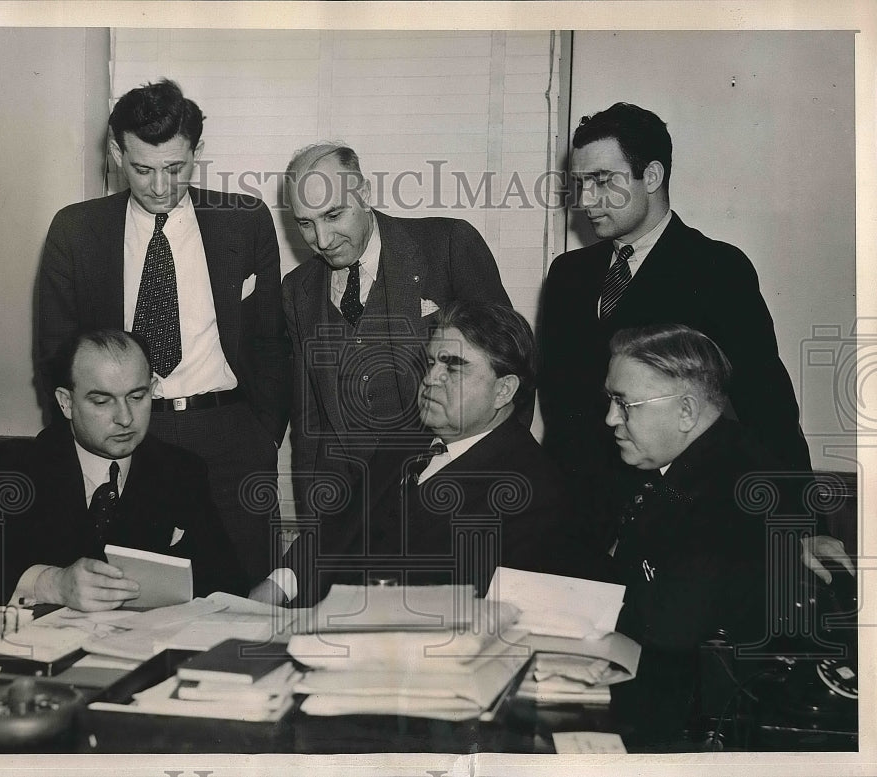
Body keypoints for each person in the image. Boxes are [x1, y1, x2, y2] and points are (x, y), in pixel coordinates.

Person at [536, 102, 851, 579]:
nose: (586, 199)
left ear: (653, 175)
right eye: (580, 183)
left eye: (602, 180)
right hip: (573, 529)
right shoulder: (566, 275)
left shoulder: (717, 269)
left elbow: (768, 405)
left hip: (672, 529)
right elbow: (560, 410)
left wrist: (799, 525)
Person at [37, 79, 290, 584]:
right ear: (116, 152)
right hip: (130, 438)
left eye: (175, 168)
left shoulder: (244, 220)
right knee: (130, 598)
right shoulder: (76, 230)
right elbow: (56, 355)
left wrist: (260, 435)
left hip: (231, 436)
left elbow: (269, 342)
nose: (159, 186)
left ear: (197, 151)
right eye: (142, 169)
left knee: (246, 600)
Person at [254, 302, 607, 607]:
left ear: (504, 390)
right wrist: (278, 584)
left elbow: (476, 611)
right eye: (431, 363)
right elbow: (340, 529)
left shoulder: (533, 491)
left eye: (453, 367)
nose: (430, 378)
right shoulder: (405, 444)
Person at [603, 324, 815, 747]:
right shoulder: (709, 461)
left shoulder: (728, 496)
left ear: (685, 411)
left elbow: (666, 636)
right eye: (611, 400)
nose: (610, 419)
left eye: (625, 404)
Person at [280, 143, 515, 521]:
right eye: (305, 223)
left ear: (365, 193)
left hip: (448, 498)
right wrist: (315, 524)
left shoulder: (448, 245)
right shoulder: (297, 290)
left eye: (334, 215)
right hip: (346, 509)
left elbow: (511, 369)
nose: (322, 240)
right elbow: (309, 426)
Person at [0, 330, 248, 612]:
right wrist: (53, 584)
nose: (125, 418)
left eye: (137, 397)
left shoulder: (180, 471)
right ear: (66, 402)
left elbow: (228, 584)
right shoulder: (11, 470)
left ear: (153, 388)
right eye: (102, 401)